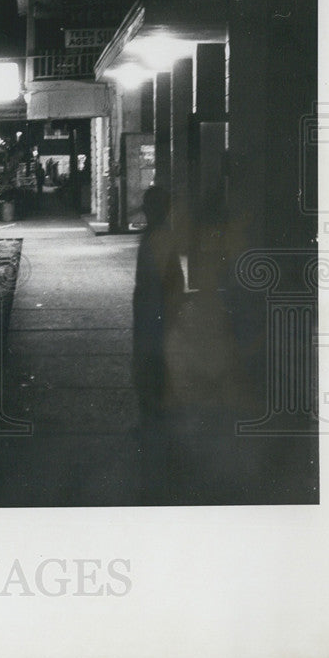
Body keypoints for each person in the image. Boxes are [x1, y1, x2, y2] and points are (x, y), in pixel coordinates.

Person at [132, 186, 185, 502]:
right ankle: (152, 421)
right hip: (148, 311)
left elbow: (172, 281)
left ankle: (156, 425)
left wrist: (168, 314)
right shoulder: (155, 235)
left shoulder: (161, 237)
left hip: (155, 315)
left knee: (152, 367)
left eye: (152, 206)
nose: (147, 210)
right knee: (148, 366)